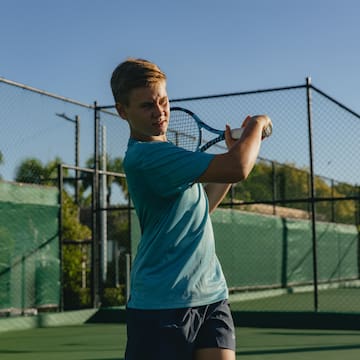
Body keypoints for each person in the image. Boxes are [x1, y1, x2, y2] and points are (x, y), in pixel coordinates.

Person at [110, 58, 272, 360]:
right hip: (160, 304)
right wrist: (257, 124)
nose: (160, 112)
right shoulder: (146, 158)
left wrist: (230, 150)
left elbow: (203, 204)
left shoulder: (171, 158)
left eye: (163, 101)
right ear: (123, 111)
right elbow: (238, 167)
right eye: (147, 106)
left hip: (211, 294)